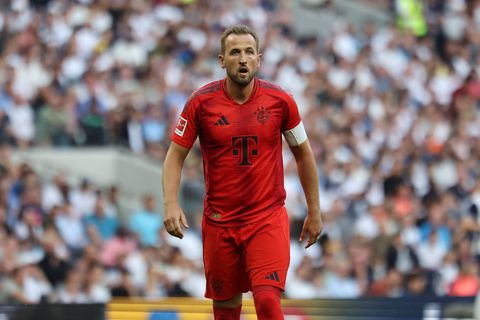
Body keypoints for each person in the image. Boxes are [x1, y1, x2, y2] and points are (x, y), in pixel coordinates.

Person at [162, 25, 323, 320]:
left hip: (266, 218)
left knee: (266, 301)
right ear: (222, 60)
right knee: (225, 311)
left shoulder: (281, 101)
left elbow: (304, 154)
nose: (243, 59)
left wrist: (314, 210)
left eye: (249, 52)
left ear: (259, 59)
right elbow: (175, 155)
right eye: (235, 52)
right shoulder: (200, 103)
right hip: (219, 223)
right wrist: (171, 203)